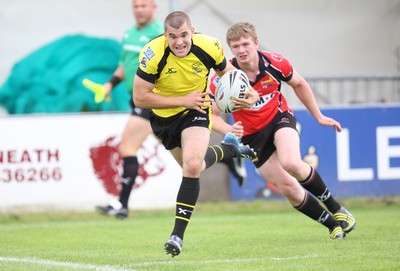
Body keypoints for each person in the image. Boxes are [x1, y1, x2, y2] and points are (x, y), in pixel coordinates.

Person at [209, 22, 356, 241]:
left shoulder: (274, 63)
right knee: (288, 187)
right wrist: (229, 128)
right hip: (251, 137)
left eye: (245, 43)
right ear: (230, 49)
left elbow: (299, 84)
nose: (241, 50)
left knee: (291, 163)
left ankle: (337, 208)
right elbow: (210, 114)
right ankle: (333, 225)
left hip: (279, 118)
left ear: (256, 43)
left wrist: (319, 116)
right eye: (235, 46)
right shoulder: (224, 77)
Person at [133, 11, 258, 257]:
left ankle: (177, 235)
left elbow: (229, 74)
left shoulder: (209, 45)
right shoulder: (152, 53)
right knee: (196, 167)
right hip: (164, 118)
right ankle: (228, 150)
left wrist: (249, 92)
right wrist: (183, 100)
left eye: (183, 35)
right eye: (172, 36)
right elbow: (140, 97)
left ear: (192, 31)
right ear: (165, 35)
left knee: (190, 167)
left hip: (197, 110)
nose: (179, 42)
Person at [91, 0, 164, 218]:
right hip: (138, 100)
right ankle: (229, 157)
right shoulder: (129, 34)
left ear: (154, 7)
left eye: (144, 5)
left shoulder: (160, 34)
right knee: (181, 149)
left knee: (127, 147)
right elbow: (125, 64)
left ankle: (121, 205)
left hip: (152, 100)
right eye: (136, 6)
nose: (139, 10)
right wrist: (109, 85)